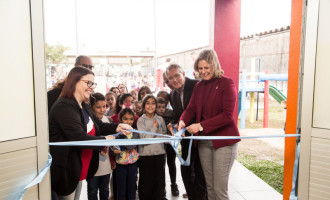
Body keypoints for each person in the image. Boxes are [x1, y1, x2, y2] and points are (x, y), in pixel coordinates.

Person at [49, 67, 132, 200]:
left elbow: (99, 126)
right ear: (74, 81)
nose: (91, 87)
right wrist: (105, 140)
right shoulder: (64, 107)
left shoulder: (83, 105)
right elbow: (78, 137)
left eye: (93, 84)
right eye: (88, 83)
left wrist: (118, 127)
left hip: (79, 170)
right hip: (66, 171)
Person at [178, 49, 241, 200]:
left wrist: (200, 126)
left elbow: (227, 115)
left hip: (223, 142)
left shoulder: (227, 83)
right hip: (204, 142)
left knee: (219, 190)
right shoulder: (199, 86)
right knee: (210, 188)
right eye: (200, 68)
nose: (203, 71)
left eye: (207, 67)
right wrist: (182, 121)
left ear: (214, 65)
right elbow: (191, 108)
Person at [166, 63, 207, 200]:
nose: (175, 80)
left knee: (200, 173)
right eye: (170, 78)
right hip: (185, 139)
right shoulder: (172, 95)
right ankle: (192, 195)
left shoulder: (198, 85)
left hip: (202, 136)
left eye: (177, 75)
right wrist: (172, 125)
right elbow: (178, 116)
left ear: (183, 74)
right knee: (186, 171)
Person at [137, 94, 167, 200]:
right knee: (146, 181)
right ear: (144, 105)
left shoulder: (160, 119)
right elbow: (144, 138)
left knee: (159, 181)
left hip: (160, 154)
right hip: (146, 156)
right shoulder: (140, 120)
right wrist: (154, 128)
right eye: (148, 103)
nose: (150, 106)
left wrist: (170, 137)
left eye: (153, 103)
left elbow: (163, 134)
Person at [87, 93, 112, 200]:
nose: (102, 110)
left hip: (106, 164)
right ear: (91, 108)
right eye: (98, 107)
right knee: (92, 190)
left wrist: (112, 160)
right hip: (92, 164)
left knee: (105, 189)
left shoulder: (107, 121)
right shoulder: (87, 122)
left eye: (104, 107)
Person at [156, 95, 179, 196]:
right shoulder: (154, 116)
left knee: (171, 163)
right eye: (159, 107)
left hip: (170, 142)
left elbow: (175, 126)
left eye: (163, 107)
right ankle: (162, 187)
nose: (161, 109)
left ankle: (174, 184)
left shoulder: (171, 114)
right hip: (159, 143)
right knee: (161, 165)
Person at [115, 108, 139, 200]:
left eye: (131, 119)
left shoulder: (136, 132)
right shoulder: (117, 132)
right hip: (120, 165)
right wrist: (114, 151)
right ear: (120, 120)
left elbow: (130, 146)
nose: (128, 121)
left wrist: (121, 136)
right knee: (120, 190)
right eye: (125, 119)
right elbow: (114, 149)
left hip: (133, 165)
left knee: (132, 189)